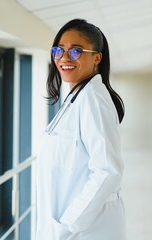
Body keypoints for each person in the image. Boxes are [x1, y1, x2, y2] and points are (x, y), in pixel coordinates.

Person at [35, 18, 126, 240]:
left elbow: (108, 171)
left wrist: (68, 225)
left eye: (76, 51)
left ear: (96, 57)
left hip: (85, 230)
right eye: (59, 50)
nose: (64, 58)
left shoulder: (92, 99)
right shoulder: (76, 97)